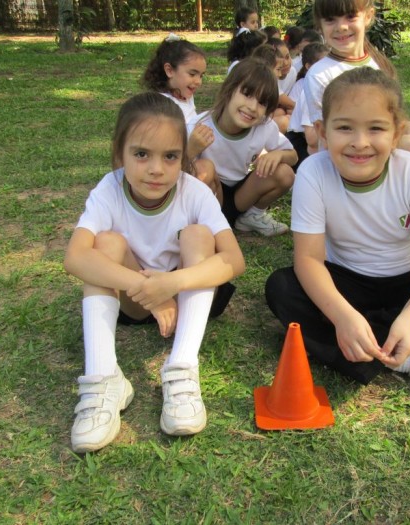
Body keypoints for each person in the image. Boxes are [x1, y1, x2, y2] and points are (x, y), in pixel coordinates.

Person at [266, 68, 410, 390]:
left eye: (376, 128)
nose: (360, 143)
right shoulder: (312, 172)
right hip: (344, 282)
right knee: (282, 289)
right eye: (344, 128)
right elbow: (309, 260)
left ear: (396, 133)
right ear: (322, 131)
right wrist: (342, 316)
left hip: (408, 283)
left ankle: (370, 342)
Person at [64, 92, 245, 452]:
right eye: (142, 154)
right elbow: (75, 257)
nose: (156, 169)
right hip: (134, 300)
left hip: (186, 294)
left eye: (171, 156)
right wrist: (148, 289)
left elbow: (234, 260)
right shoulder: (108, 189)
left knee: (199, 234)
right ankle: (103, 379)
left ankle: (181, 369)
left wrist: (172, 283)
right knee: (106, 243)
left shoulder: (194, 191)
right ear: (120, 153)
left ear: (184, 156)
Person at [304, 0, 410, 198]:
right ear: (319, 25)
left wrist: (409, 131)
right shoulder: (319, 74)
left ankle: (401, 211)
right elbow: (327, 140)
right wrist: (397, 144)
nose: (341, 27)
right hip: (347, 168)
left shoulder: (376, 62)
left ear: (368, 16)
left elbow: (389, 117)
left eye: (350, 16)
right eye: (330, 19)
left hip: (383, 155)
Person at [188, 58, 297, 237]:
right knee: (203, 168)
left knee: (285, 173)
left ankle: (251, 216)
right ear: (229, 90)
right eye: (247, 94)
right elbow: (174, 174)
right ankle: (204, 224)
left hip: (241, 196)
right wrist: (190, 150)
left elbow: (293, 156)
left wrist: (278, 155)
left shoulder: (264, 126)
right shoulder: (198, 126)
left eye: (262, 103)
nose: (252, 107)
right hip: (210, 196)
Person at [141, 34, 221, 201]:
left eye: (201, 75)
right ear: (169, 70)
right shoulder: (161, 108)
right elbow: (159, 158)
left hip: (186, 164)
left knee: (214, 177)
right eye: (192, 74)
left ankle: (215, 215)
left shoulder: (185, 96)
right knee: (205, 169)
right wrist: (191, 149)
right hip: (167, 174)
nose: (198, 81)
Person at [285, 42, 329, 171]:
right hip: (299, 143)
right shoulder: (311, 91)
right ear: (309, 67)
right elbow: (311, 140)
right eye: (322, 65)